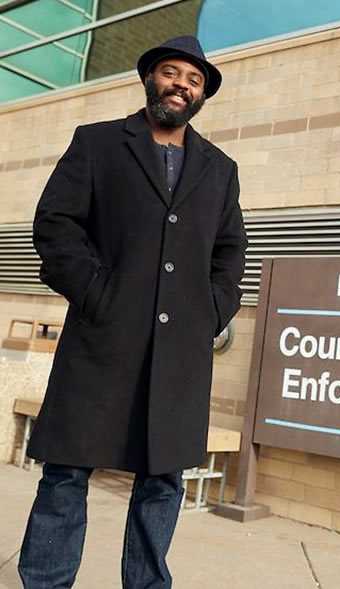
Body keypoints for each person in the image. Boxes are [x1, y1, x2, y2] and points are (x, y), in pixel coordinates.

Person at [17, 36, 247, 588]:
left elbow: (231, 251)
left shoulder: (220, 168)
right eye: (172, 73)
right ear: (150, 78)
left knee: (163, 479)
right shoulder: (97, 144)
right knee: (67, 472)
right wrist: (96, 293)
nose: (181, 86)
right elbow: (55, 225)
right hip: (102, 341)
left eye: (193, 81)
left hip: (179, 356)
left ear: (202, 96)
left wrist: (210, 311)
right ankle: (46, 582)